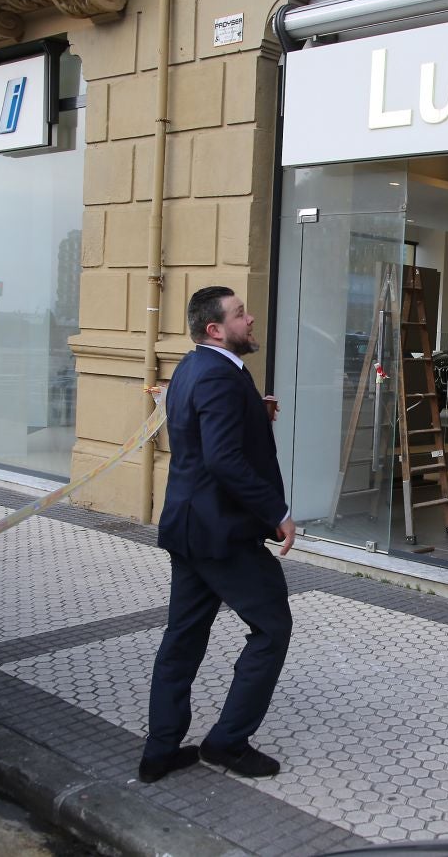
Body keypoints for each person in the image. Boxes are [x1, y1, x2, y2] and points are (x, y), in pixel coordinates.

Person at [138, 286, 296, 784]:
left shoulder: (193, 368)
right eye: (240, 314)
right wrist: (278, 512)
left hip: (188, 527)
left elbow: (208, 431)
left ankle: (159, 751)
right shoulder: (220, 377)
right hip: (220, 534)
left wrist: (254, 412)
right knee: (272, 629)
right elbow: (223, 459)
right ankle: (227, 743)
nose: (250, 320)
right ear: (215, 329)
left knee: (182, 638)